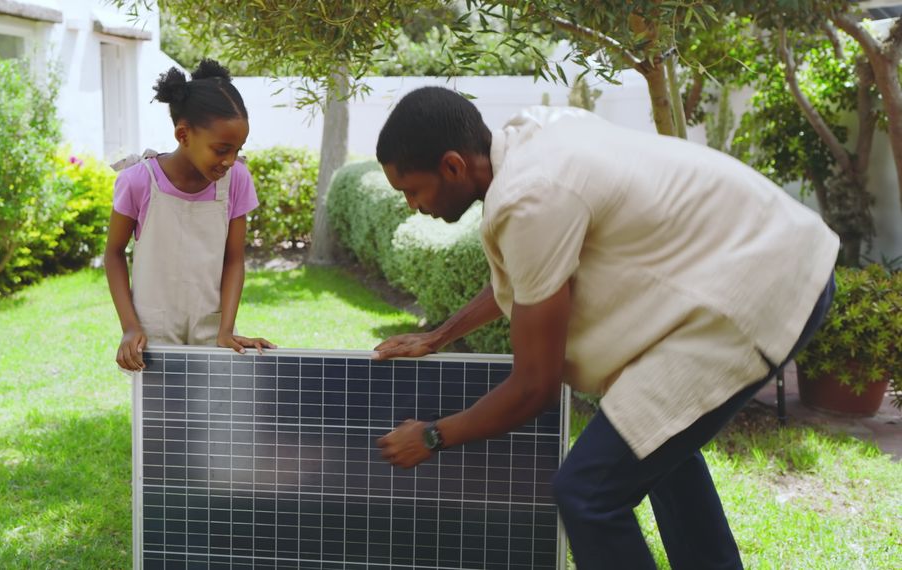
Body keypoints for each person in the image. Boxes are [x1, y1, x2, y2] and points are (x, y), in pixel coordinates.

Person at [372, 86, 837, 569]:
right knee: (660, 452)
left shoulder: (530, 196)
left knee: (587, 493)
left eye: (412, 190)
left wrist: (431, 436)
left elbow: (534, 388)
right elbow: (533, 278)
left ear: (452, 166)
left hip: (755, 288)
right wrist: (438, 335)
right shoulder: (533, 139)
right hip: (759, 265)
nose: (411, 205)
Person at [105, 59, 274, 372]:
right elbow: (113, 254)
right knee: (159, 419)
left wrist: (227, 329)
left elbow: (234, 259)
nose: (230, 160)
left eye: (237, 149)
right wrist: (129, 327)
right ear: (183, 135)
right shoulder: (138, 181)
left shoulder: (237, 179)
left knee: (212, 417)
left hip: (211, 331)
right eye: (222, 149)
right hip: (152, 334)